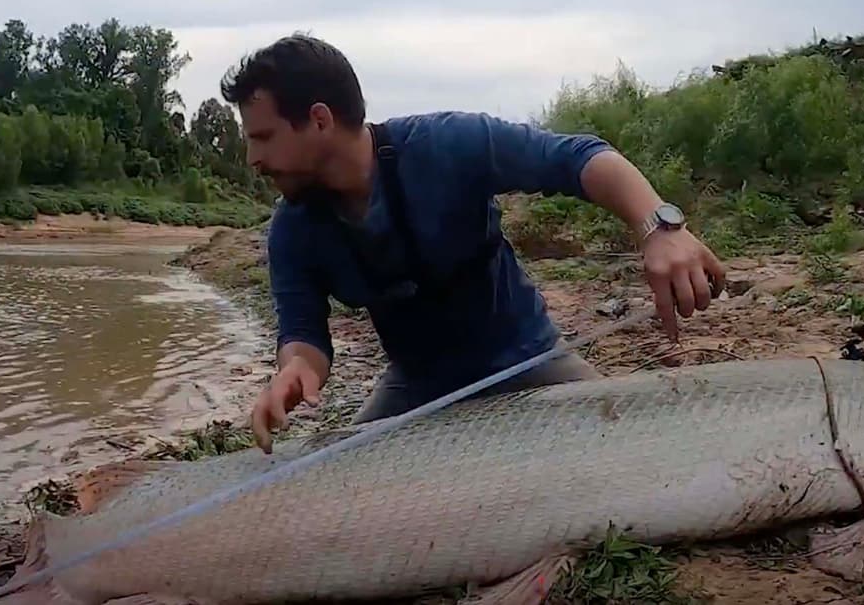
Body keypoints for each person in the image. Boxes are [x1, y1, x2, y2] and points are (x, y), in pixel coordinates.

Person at [220, 33, 726, 454]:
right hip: (416, 386)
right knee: (334, 476)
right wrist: (294, 372)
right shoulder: (292, 229)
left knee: (636, 449)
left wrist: (660, 227)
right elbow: (304, 334)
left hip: (528, 359)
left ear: (320, 120)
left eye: (262, 137)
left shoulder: (447, 145)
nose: (252, 158)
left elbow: (577, 157)